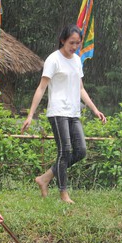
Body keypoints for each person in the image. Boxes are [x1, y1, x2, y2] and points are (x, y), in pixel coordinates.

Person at [21, 24, 106, 204]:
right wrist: (30, 115)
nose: (74, 47)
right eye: (71, 43)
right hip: (58, 111)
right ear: (62, 40)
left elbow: (81, 88)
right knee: (65, 151)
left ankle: (44, 178)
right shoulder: (54, 59)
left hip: (74, 112)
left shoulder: (76, 60)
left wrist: (95, 109)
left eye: (77, 43)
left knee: (81, 151)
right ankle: (63, 193)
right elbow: (41, 87)